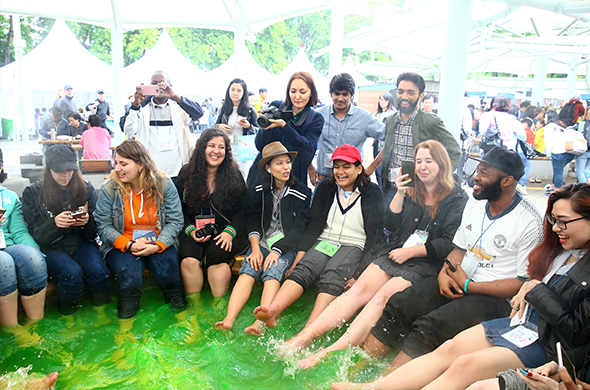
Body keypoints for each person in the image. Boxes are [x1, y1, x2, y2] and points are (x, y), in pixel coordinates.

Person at [332, 182, 590, 390]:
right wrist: (449, 272)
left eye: (563, 221)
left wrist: (534, 289)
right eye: (553, 220)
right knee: (449, 349)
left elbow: (575, 330)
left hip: (547, 341)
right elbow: (457, 250)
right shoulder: (561, 250)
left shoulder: (542, 233)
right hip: (520, 323)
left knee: (464, 365)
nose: (556, 228)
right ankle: (373, 387)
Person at [358, 147, 544, 370]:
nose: (475, 177)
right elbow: (458, 249)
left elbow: (522, 284)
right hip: (459, 281)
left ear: (507, 181)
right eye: (477, 170)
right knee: (400, 302)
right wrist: (444, 273)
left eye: (484, 173)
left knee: (432, 325)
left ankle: (385, 382)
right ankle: (359, 368)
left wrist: (470, 286)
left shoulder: (530, 223)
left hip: (495, 300)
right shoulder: (475, 203)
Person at [287, 140, 468, 369]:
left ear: (441, 164)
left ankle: (326, 352)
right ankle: (305, 336)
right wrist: (401, 193)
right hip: (395, 252)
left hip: (426, 262)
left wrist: (410, 252)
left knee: (382, 297)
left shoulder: (457, 198)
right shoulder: (413, 189)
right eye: (419, 161)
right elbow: (390, 224)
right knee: (359, 290)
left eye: (428, 161)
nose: (422, 166)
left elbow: (449, 242)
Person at [254, 145, 384, 328]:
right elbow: (314, 225)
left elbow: (375, 236)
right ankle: (273, 311)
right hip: (325, 240)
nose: (340, 172)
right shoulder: (326, 188)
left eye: (346, 166)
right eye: (336, 167)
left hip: (354, 244)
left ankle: (310, 327)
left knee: (333, 274)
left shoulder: (372, 192)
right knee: (304, 269)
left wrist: (360, 272)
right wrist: (299, 257)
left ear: (359, 168)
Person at [215, 142, 311, 335]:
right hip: (261, 241)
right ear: (268, 168)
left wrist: (276, 251)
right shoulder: (258, 190)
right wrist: (256, 249)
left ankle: (260, 322)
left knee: (272, 270)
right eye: (279, 163)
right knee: (248, 268)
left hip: (286, 245)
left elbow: (300, 230)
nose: (286, 167)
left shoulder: (302, 192)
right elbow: (252, 220)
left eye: (287, 163)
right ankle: (229, 318)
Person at [94, 140, 186, 319]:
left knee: (170, 278)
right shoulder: (109, 188)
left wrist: (158, 245)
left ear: (140, 165)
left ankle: (182, 324)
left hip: (158, 242)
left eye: (123, 164)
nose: (117, 168)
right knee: (130, 281)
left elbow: (175, 221)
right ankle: (125, 333)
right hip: (122, 244)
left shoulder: (164, 184)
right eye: (116, 163)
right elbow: (103, 225)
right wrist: (129, 245)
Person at [22, 145, 110, 316]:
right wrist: (54, 223)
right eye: (60, 170)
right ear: (48, 168)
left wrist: (86, 221)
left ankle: (102, 313)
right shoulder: (32, 192)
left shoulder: (86, 188)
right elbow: (35, 235)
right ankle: (68, 318)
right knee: (71, 274)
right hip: (51, 246)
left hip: (81, 241)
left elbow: (93, 233)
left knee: (98, 272)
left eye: (70, 170)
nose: (66, 175)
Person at [174, 128, 248, 302]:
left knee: (218, 257)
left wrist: (230, 232)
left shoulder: (234, 176)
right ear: (202, 148)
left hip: (225, 232)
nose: (216, 151)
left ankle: (219, 306)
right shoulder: (186, 175)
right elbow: (177, 210)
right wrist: (190, 230)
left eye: (221, 147)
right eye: (211, 146)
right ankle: (195, 308)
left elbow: (243, 210)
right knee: (189, 260)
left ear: (226, 152)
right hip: (192, 229)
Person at [368, 72, 461, 204]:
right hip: (391, 188)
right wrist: (370, 169)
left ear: (421, 96)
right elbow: (387, 148)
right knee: (388, 223)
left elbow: (455, 152)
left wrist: (439, 179)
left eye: (410, 93)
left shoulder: (430, 122)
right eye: (401, 92)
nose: (404, 96)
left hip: (419, 191)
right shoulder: (390, 120)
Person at [246, 72, 324, 187]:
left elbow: (307, 150)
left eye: (302, 92)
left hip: (294, 178)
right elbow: (259, 145)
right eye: (293, 91)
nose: (297, 96)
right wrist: (266, 127)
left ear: (311, 92)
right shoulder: (276, 106)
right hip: (264, 176)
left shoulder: (315, 118)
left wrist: (284, 127)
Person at [0, 161, 47, 343]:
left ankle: (35, 322)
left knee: (31, 257)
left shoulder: (9, 197)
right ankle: (11, 327)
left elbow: (19, 231)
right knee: (3, 262)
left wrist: (39, 254)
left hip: (8, 243)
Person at [123, 70, 204, 176]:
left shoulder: (179, 107)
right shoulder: (142, 109)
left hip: (178, 171)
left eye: (162, 83)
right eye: (154, 83)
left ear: (170, 86)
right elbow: (128, 129)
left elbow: (198, 113)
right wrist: (136, 104)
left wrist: (175, 96)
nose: (158, 86)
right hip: (150, 172)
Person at [309, 73, 385, 186]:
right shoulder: (318, 115)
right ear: (331, 94)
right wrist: (309, 167)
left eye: (345, 94)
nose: (340, 98)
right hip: (324, 180)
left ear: (352, 95)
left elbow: (390, 139)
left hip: (352, 182)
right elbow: (304, 142)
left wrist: (371, 169)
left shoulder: (365, 117)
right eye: (337, 94)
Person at [479, 96, 528, 194]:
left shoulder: (488, 116)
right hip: (506, 148)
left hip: (491, 148)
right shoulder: (511, 118)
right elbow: (513, 135)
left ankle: (486, 189)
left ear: (494, 104)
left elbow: (483, 132)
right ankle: (499, 190)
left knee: (486, 169)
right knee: (501, 170)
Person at [215, 79, 259, 173]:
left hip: (244, 149)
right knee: (226, 176)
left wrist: (249, 126)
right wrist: (219, 126)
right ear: (228, 91)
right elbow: (214, 126)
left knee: (243, 175)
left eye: (239, 91)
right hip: (226, 148)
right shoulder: (224, 109)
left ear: (244, 93)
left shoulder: (250, 110)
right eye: (233, 89)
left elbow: (259, 130)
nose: (235, 93)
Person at [544, 111, 574, 196]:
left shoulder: (549, 127)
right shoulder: (559, 125)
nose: (544, 119)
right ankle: (552, 187)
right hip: (568, 152)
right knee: (558, 171)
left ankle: (557, 191)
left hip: (558, 152)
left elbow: (548, 142)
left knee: (558, 172)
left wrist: (549, 154)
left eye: (545, 117)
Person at [373, 92, 397, 185]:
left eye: (385, 100)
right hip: (376, 144)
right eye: (381, 99)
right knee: (377, 171)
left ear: (389, 101)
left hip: (386, 145)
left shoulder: (393, 114)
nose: (382, 102)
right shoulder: (377, 113)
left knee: (382, 171)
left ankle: (383, 194)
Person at [575, 108, 590, 184]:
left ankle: (583, 189)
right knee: (586, 169)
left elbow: (571, 130)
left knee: (580, 171)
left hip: (583, 150)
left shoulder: (581, 124)